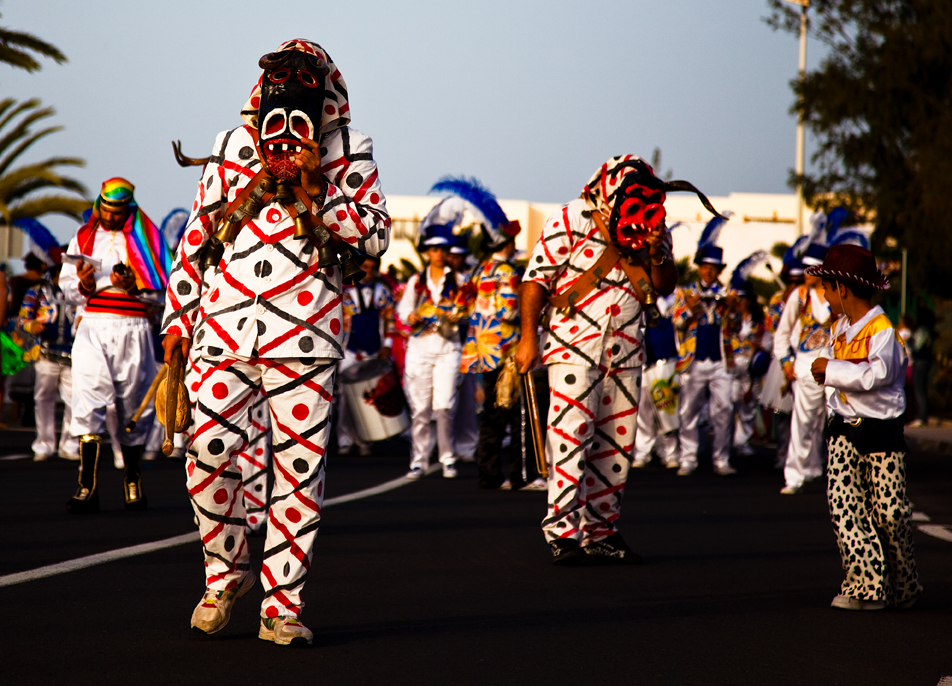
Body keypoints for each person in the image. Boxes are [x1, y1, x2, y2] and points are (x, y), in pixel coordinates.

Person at [161, 39, 389, 646]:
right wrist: (178, 325)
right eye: (281, 82)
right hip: (222, 330)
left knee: (297, 472)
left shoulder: (350, 149)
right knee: (205, 450)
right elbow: (196, 238)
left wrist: (319, 189)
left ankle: (281, 606)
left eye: (304, 82)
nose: (290, 93)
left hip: (308, 337)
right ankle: (225, 572)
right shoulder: (232, 147)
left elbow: (372, 238)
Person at [515, 155, 721, 565]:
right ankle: (563, 532)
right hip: (573, 346)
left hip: (627, 349)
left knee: (616, 446)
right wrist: (527, 337)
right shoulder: (571, 217)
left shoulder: (652, 223)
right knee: (571, 437)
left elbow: (664, 285)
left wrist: (655, 250)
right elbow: (536, 279)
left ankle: (601, 531)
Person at [808, 244, 921, 610]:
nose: (823, 295)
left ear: (842, 288)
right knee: (846, 507)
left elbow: (878, 375)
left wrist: (831, 370)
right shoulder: (839, 327)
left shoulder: (882, 329)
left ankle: (903, 584)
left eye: (826, 287)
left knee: (890, 513)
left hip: (881, 433)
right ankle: (866, 586)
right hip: (844, 432)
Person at [60, 178, 169, 513]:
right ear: (99, 205)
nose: (109, 215)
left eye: (116, 210)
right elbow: (68, 289)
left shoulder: (148, 239)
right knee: (88, 398)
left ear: (128, 208)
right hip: (93, 325)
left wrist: (135, 285)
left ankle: (132, 479)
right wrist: (85, 283)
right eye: (105, 208)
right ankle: (86, 486)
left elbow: (162, 291)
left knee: (134, 405)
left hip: (134, 327)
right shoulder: (83, 236)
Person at [460, 218, 542, 490]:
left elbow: (465, 305)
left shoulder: (479, 269)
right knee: (520, 413)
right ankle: (522, 476)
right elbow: (509, 311)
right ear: (507, 244)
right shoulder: (508, 271)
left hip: (482, 350)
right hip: (507, 351)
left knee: (493, 416)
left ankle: (489, 474)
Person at [671, 215, 738, 477]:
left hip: (722, 359)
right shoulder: (685, 292)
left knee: (723, 412)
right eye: (704, 266)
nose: (708, 271)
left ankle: (721, 459)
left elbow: (734, 327)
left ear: (719, 270)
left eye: (713, 267)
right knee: (688, 411)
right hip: (693, 359)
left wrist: (731, 309)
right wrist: (692, 308)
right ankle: (688, 458)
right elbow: (677, 323)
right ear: (698, 267)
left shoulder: (729, 292)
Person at [396, 225, 465, 479]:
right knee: (421, 408)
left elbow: (467, 309)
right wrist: (411, 316)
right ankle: (419, 460)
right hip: (420, 349)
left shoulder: (459, 281)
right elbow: (402, 311)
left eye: (443, 249)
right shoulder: (417, 280)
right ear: (427, 252)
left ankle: (447, 458)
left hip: (448, 348)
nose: (439, 253)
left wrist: (455, 314)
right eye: (434, 249)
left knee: (444, 406)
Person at [773, 236, 833, 495]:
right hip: (806, 367)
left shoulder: (838, 295)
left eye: (812, 268)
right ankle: (794, 475)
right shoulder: (798, 297)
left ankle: (823, 470)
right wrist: (786, 361)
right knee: (802, 421)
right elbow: (782, 333)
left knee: (832, 422)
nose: (806, 273)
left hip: (836, 367)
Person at [18, 261, 79, 461]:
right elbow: (22, 318)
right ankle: (43, 445)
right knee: (43, 400)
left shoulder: (80, 292)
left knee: (74, 401)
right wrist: (32, 325)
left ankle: (69, 445)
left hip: (73, 354)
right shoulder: (37, 291)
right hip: (46, 353)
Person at [338, 254, 395, 455]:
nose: (368, 272)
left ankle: (364, 438)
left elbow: (390, 319)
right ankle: (344, 438)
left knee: (368, 396)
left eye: (372, 268)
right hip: (351, 351)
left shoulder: (383, 291)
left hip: (374, 350)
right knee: (346, 398)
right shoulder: (346, 290)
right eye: (365, 267)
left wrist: (387, 344)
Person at [726, 252, 769, 457]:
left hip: (750, 369)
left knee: (748, 406)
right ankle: (725, 442)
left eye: (744, 298)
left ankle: (741, 441)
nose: (740, 302)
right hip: (730, 367)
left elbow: (767, 344)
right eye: (737, 298)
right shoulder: (727, 319)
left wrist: (758, 347)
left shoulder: (760, 323)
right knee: (726, 406)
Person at [632, 294, 680, 469]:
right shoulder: (637, 298)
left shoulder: (674, 299)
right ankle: (643, 451)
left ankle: (671, 453)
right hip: (641, 361)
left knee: (667, 409)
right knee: (642, 411)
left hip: (664, 360)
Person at [447, 232, 478, 463]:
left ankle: (466, 444)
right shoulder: (438, 278)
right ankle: (442, 445)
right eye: (451, 255)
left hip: (467, 343)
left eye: (459, 256)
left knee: (467, 398)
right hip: (444, 343)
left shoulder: (471, 280)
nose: (454, 259)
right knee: (443, 401)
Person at [908, 306, 936, 427]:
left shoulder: (922, 330)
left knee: (919, 389)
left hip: (920, 361)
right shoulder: (930, 329)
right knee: (922, 389)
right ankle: (923, 415)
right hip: (926, 361)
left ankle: (922, 416)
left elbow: (917, 346)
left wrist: (909, 342)